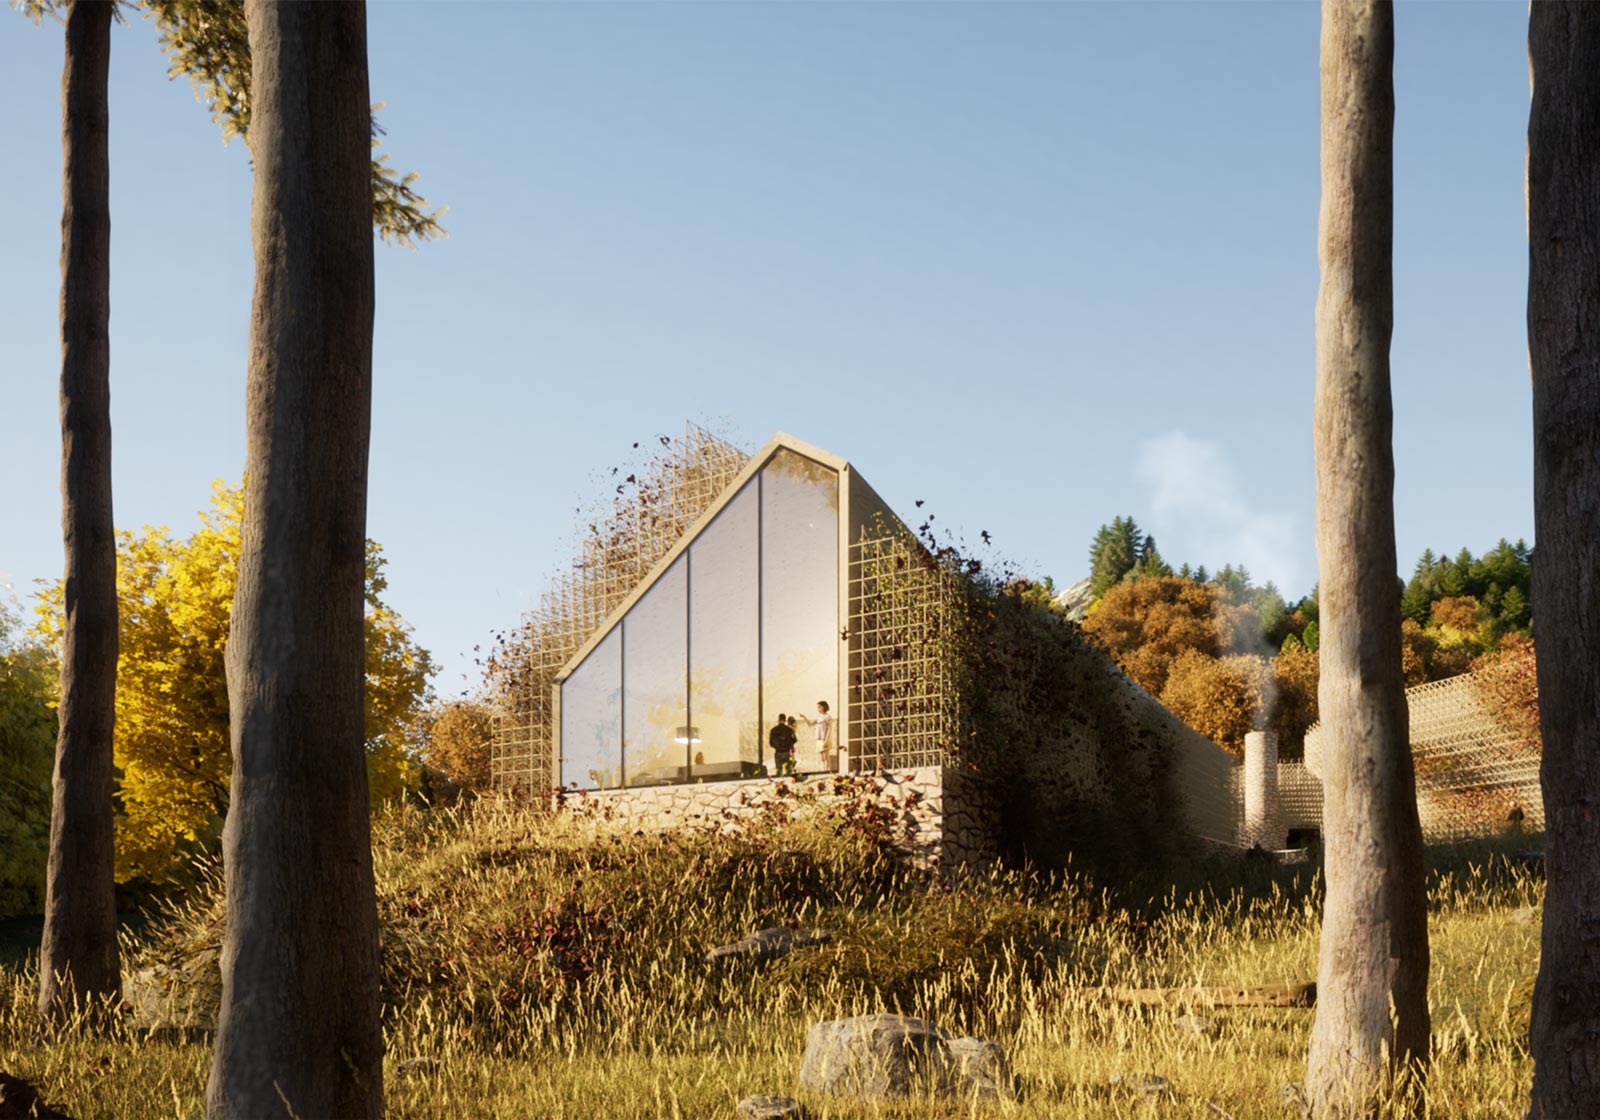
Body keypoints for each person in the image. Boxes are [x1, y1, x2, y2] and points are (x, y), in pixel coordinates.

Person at [800, 700, 835, 771]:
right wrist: (804, 717)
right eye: (818, 707)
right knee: (822, 757)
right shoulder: (819, 717)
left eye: (819, 707)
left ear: (824, 707)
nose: (818, 709)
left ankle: (827, 770)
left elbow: (829, 729)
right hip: (819, 739)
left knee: (826, 756)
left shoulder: (828, 717)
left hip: (824, 739)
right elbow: (810, 724)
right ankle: (823, 770)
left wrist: (826, 740)